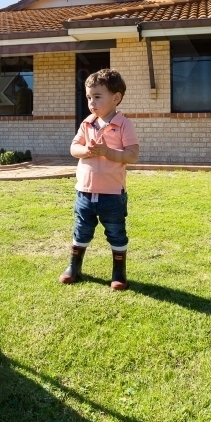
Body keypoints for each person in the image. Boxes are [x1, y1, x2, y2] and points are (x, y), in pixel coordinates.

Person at [59, 68, 140, 290]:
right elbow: (73, 148)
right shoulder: (87, 123)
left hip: (112, 195)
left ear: (116, 98)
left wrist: (106, 152)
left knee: (116, 232)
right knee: (81, 230)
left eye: (97, 96)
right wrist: (86, 150)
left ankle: (119, 273)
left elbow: (132, 155)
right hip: (85, 192)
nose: (91, 102)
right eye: (88, 97)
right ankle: (74, 267)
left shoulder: (124, 124)